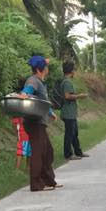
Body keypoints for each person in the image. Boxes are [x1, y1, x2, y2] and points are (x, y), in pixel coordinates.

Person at [20, 55, 62, 192]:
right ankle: (36, 184)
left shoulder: (40, 82)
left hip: (40, 123)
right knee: (38, 153)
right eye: (46, 66)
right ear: (40, 69)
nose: (47, 68)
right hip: (34, 123)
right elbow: (27, 91)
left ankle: (48, 181)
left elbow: (42, 101)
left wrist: (50, 113)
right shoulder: (33, 81)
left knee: (47, 152)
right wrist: (25, 93)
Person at [60, 60, 89, 160]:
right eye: (74, 69)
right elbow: (67, 96)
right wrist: (80, 96)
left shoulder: (66, 81)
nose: (74, 72)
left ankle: (78, 152)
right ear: (71, 71)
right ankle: (68, 154)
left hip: (71, 112)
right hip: (68, 113)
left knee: (74, 133)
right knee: (69, 134)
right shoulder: (67, 82)